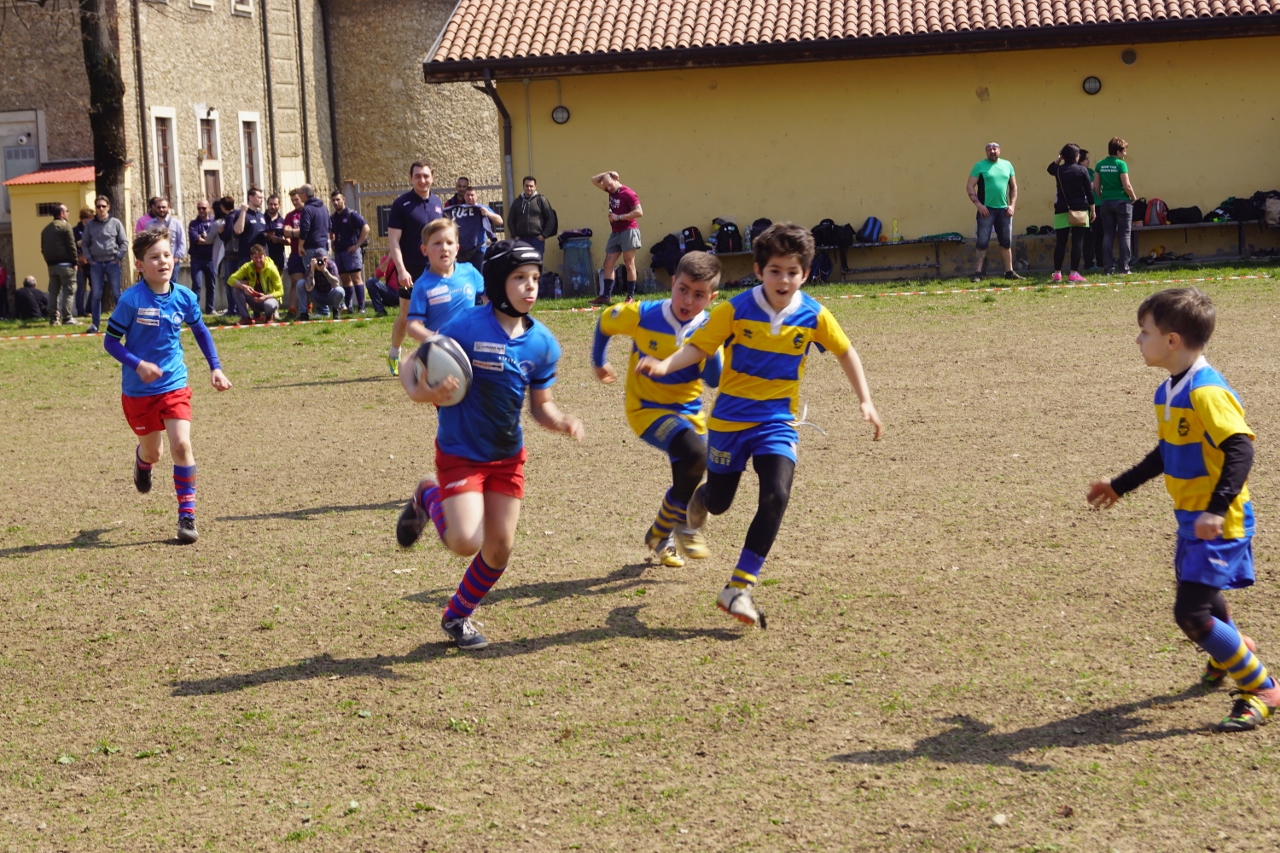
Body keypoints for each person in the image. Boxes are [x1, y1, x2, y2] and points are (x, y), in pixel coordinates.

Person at [636, 223, 883, 627]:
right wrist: (665, 364)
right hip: (730, 423)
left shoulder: (814, 314)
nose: (783, 279)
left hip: (778, 422)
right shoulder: (734, 309)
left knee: (776, 495)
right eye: (775, 271)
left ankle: (738, 588)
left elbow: (845, 351)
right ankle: (696, 505)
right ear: (758, 270)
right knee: (719, 500)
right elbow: (699, 347)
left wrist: (866, 401)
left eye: (792, 271)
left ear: (805, 273)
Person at [1087, 287, 1279, 732]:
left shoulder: (1208, 392)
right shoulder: (1168, 391)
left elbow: (1240, 450)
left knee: (1190, 613)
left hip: (1220, 520)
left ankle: (1262, 686)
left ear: (1172, 340)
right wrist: (1119, 486)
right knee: (1204, 595)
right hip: (1192, 519)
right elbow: (1165, 453)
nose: (1138, 340)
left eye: (1144, 332)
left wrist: (1216, 508)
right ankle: (1229, 649)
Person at [396, 240, 584, 650]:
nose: (530, 287)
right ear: (498, 282)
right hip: (461, 453)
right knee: (466, 542)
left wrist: (561, 421)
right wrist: (424, 393)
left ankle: (456, 615)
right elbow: (412, 363)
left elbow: (540, 407)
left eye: (534, 279)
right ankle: (429, 495)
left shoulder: (544, 344)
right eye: (519, 278)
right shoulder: (466, 326)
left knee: (499, 550)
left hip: (506, 457)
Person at [592, 251, 723, 567]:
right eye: (683, 289)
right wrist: (599, 361)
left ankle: (659, 535)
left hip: (689, 414)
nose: (688, 300)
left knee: (689, 475)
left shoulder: (711, 328)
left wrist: (712, 352)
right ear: (673, 283)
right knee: (696, 455)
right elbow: (605, 321)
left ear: (712, 297)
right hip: (646, 409)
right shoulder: (643, 314)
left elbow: (714, 380)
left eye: (699, 295)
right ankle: (683, 526)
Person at [102, 226, 232, 544]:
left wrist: (215, 367)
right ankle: (142, 462)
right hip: (138, 392)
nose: (163, 261)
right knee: (155, 452)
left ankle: (187, 517)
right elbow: (110, 342)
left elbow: (200, 331)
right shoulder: (131, 300)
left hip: (174, 384)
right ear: (140, 266)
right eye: (154, 257)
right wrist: (138, 364)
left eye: (167, 255)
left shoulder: (185, 297)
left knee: (181, 445)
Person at [385, 161, 443, 375]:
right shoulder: (401, 204)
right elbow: (393, 241)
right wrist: (401, 270)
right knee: (406, 315)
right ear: (411, 178)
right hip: (411, 270)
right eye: (417, 176)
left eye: (426, 176)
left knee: (435, 314)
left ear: (432, 177)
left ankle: (429, 359)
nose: (422, 180)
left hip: (436, 270)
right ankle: (394, 352)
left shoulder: (438, 203)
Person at [404, 218, 483, 346]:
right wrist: (436, 338)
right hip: (442, 352)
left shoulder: (470, 272)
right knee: (406, 365)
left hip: (472, 346)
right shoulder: (422, 285)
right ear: (424, 250)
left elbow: (492, 300)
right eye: (437, 243)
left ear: (457, 248)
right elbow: (412, 326)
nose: (444, 248)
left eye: (449, 242)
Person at [966, 142, 1023, 282]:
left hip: (1004, 210)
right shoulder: (979, 166)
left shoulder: (1007, 165)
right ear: (986, 152)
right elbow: (969, 186)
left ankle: (1009, 271)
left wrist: (1012, 205)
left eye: (994, 149)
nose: (992, 151)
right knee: (982, 241)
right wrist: (979, 205)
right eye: (989, 149)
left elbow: (1014, 187)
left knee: (1006, 241)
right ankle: (978, 273)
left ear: (999, 151)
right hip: (986, 210)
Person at [589, 170, 643, 305]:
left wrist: (618, 217)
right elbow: (594, 180)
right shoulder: (611, 191)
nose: (607, 188)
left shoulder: (628, 193)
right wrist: (607, 172)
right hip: (616, 232)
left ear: (615, 179)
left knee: (629, 262)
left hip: (629, 231)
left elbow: (639, 212)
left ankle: (630, 296)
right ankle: (605, 296)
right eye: (606, 186)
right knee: (608, 263)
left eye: (609, 185)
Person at [1045, 144, 1095, 283]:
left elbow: (1050, 169)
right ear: (1076, 156)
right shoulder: (1082, 170)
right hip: (1079, 209)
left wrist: (1059, 159)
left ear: (1064, 156)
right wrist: (1093, 209)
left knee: (1061, 242)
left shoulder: (1059, 170)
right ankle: (1073, 273)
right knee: (1077, 242)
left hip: (1061, 208)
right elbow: (1088, 191)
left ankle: (1057, 273)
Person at [81, 195, 129, 334]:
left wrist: (118, 257)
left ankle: (123, 323)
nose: (101, 209)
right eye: (98, 206)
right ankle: (95, 325)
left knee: (117, 293)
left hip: (112, 263)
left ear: (108, 207)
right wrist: (90, 259)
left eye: (103, 206)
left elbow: (124, 242)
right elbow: (84, 243)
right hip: (96, 264)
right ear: (95, 208)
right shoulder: (90, 225)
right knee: (96, 294)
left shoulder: (116, 223)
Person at [1094, 137, 1138, 275]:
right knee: (1125, 235)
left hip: (1106, 202)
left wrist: (1102, 197)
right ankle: (1124, 268)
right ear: (1118, 151)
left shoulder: (1100, 164)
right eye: (1124, 150)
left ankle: (1108, 268)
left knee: (1108, 234)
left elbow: (1096, 186)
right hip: (1122, 202)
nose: (1125, 153)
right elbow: (1127, 185)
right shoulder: (1121, 164)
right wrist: (1133, 197)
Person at [445, 186, 503, 274]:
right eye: (468, 195)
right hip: (462, 251)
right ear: (464, 196)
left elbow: (500, 221)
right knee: (464, 277)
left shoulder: (482, 209)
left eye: (472, 195)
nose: (470, 197)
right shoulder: (458, 210)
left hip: (479, 251)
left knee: (479, 277)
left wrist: (488, 214)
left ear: (477, 196)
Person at [329, 190, 369, 313]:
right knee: (345, 280)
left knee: (356, 278)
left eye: (338, 199)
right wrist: (333, 243)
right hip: (339, 252)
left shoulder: (351, 214)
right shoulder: (333, 217)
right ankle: (349, 307)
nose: (335, 202)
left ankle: (362, 307)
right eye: (333, 200)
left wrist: (357, 245)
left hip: (351, 251)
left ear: (343, 199)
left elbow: (366, 228)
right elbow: (332, 232)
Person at [40, 203, 79, 325]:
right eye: (67, 211)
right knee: (69, 290)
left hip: (51, 266)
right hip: (66, 265)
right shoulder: (65, 227)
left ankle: (53, 318)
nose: (68, 213)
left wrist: (48, 262)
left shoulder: (45, 230)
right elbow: (71, 245)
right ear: (61, 213)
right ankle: (67, 317)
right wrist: (75, 261)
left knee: (53, 291)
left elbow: (43, 248)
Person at [227, 243, 284, 323]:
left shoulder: (272, 269)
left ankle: (269, 317)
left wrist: (265, 297)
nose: (258, 260)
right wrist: (244, 287)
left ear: (265, 256)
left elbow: (280, 291)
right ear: (251, 257)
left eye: (260, 257)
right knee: (236, 287)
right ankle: (245, 317)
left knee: (269, 305)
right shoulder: (247, 266)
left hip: (269, 299)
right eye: (255, 257)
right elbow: (231, 279)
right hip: (254, 298)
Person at [508, 176, 558, 255]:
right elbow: (510, 220)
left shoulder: (541, 200)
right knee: (523, 264)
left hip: (537, 240)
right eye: (527, 186)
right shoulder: (517, 202)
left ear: (535, 187)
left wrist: (544, 235)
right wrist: (515, 236)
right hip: (521, 239)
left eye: (531, 186)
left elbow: (551, 218)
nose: (529, 188)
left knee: (537, 264)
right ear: (523, 186)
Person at [188, 199, 219, 314]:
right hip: (197, 258)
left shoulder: (214, 222)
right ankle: (195, 310)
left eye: (203, 208)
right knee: (197, 285)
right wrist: (209, 240)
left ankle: (210, 309)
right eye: (199, 208)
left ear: (209, 209)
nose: (201, 210)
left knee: (211, 285)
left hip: (211, 258)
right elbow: (196, 240)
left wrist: (205, 238)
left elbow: (217, 239)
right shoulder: (193, 224)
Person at [295, 248, 343, 321]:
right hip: (316, 296)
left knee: (340, 290)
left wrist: (324, 270)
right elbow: (309, 288)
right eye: (317, 260)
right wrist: (312, 270)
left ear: (326, 259)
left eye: (323, 260)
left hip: (330, 296)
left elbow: (336, 284)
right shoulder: (310, 266)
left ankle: (336, 311)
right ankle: (303, 314)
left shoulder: (331, 264)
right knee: (300, 283)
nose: (320, 262)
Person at [280, 189, 306, 315]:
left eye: (296, 199)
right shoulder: (290, 216)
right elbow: (285, 232)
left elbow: (312, 230)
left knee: (309, 281)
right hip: (295, 253)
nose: (295, 202)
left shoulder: (309, 212)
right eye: (292, 200)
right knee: (296, 281)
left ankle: (307, 308)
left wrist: (294, 231)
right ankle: (292, 310)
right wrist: (302, 231)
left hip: (308, 252)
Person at [1079, 149, 1104, 271]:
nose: (1089, 160)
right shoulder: (1080, 172)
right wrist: (1097, 182)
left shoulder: (1090, 171)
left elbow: (1098, 184)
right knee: (1089, 236)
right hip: (1087, 207)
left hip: (1099, 205)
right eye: (1086, 159)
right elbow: (1090, 185)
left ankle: (1101, 261)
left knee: (1101, 235)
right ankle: (1089, 263)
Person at [365, 253, 401, 318]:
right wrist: (388, 260)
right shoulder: (386, 258)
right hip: (391, 292)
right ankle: (380, 311)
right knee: (371, 282)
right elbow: (378, 275)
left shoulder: (408, 258)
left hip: (407, 292)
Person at [73, 207, 93, 318]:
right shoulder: (75, 230)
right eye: (85, 221)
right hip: (80, 262)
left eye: (89, 220)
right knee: (80, 288)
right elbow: (72, 245)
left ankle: (88, 309)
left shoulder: (94, 229)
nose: (87, 223)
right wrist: (78, 243)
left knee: (95, 287)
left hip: (92, 261)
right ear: (81, 220)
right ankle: (80, 311)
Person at [263, 193, 287, 273]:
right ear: (267, 204)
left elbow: (289, 241)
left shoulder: (283, 221)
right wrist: (266, 236)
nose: (272, 207)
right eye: (270, 204)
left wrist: (279, 240)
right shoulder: (261, 219)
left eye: (275, 204)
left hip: (278, 256)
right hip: (263, 256)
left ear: (279, 205)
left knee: (277, 282)